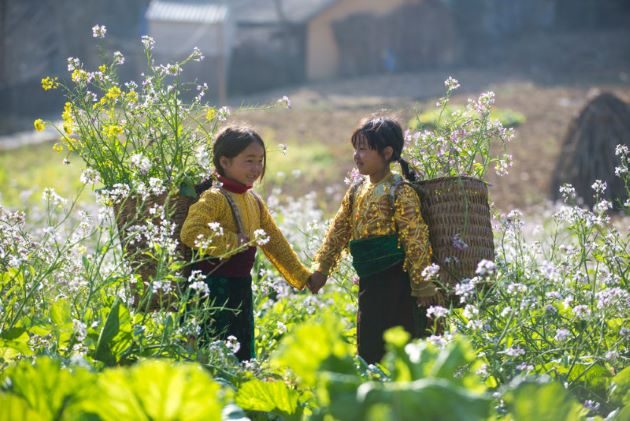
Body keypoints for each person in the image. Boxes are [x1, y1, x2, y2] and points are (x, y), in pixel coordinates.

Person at [309, 117, 441, 364]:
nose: (356, 155)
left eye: (364, 149)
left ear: (387, 153)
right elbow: (338, 231)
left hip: (398, 284)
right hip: (369, 283)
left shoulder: (400, 191)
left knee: (399, 348)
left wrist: (422, 285)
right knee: (369, 345)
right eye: (355, 149)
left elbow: (416, 239)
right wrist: (321, 268)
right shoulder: (357, 190)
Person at [180, 126, 316, 361]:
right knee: (208, 355)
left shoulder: (253, 201)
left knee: (239, 354)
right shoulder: (214, 197)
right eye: (249, 161)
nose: (256, 168)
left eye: (260, 161)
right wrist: (233, 241)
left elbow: (275, 242)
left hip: (240, 288)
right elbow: (190, 232)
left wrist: (302, 276)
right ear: (225, 161)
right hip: (210, 290)